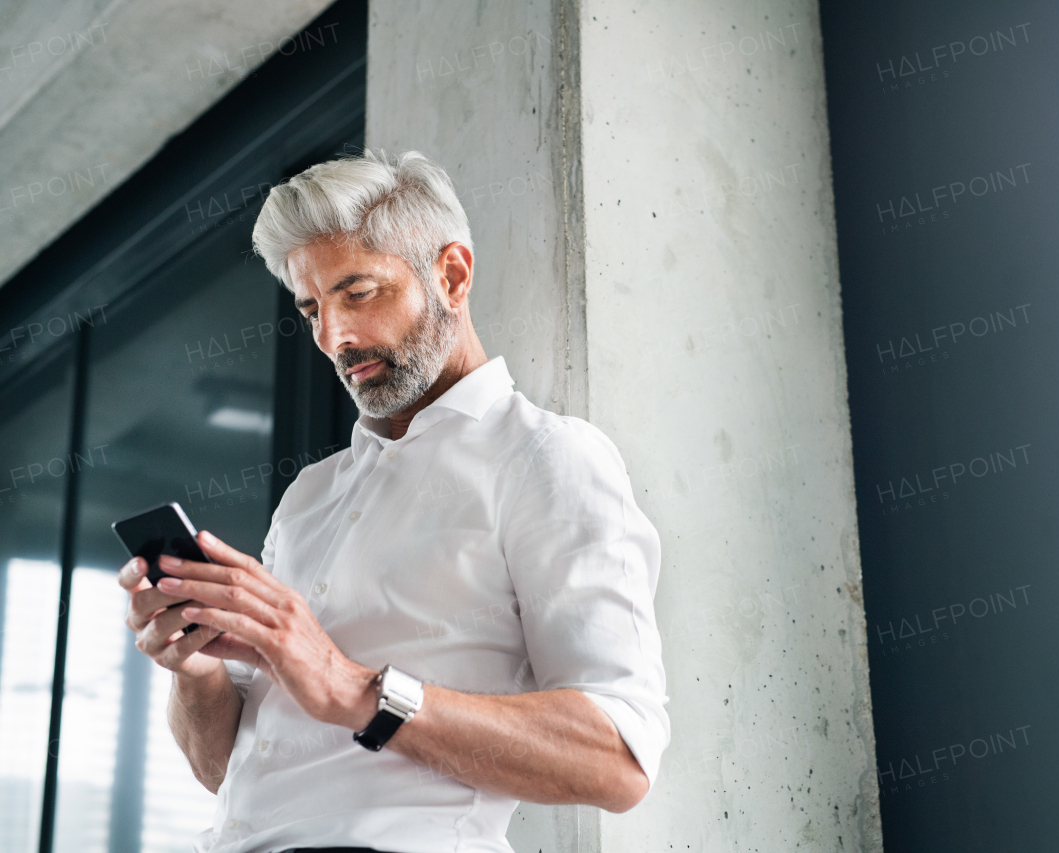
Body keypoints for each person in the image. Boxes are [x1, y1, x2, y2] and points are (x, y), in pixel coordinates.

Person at [119, 149, 668, 853]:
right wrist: (192, 662)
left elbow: (618, 756)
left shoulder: (546, 458)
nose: (333, 338)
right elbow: (222, 768)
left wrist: (353, 687)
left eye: (358, 292)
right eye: (312, 307)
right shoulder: (309, 495)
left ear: (452, 274)